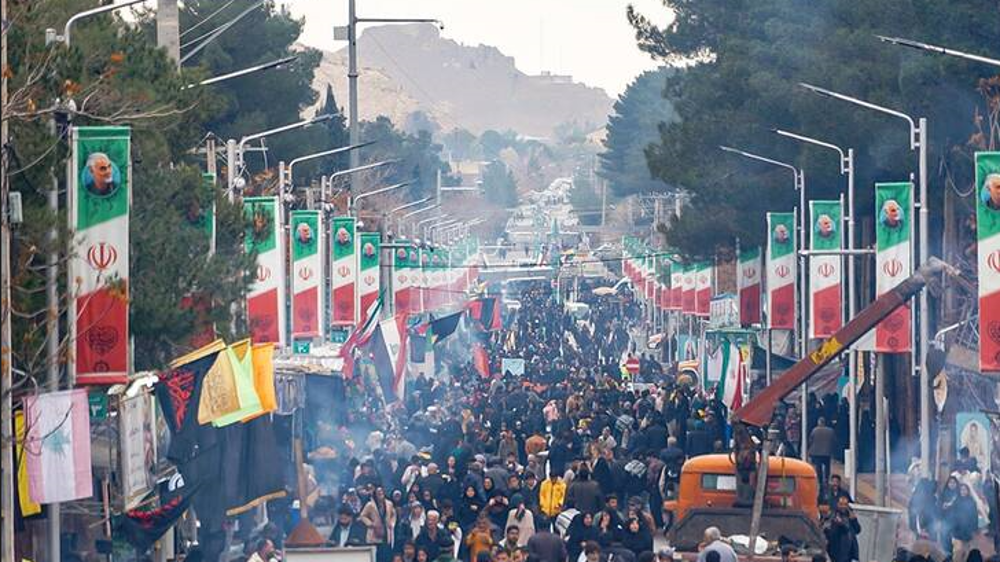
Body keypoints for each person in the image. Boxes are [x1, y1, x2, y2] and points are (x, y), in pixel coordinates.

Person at [360, 486, 397, 562]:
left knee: (386, 556)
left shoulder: (389, 504)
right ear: (375, 494)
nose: (380, 493)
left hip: (386, 534)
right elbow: (362, 516)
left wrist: (392, 523)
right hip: (374, 534)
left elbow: (394, 514)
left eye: (382, 492)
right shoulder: (370, 505)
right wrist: (370, 524)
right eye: (378, 492)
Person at [948, 484, 980, 562]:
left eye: (965, 489)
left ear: (968, 491)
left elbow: (975, 516)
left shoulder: (972, 502)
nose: (963, 491)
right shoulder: (956, 501)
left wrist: (974, 528)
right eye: (961, 489)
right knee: (957, 552)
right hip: (957, 532)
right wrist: (952, 528)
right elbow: (952, 516)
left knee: (966, 553)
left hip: (968, 532)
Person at [823, 496, 860, 562]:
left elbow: (857, 530)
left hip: (849, 552)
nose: (843, 506)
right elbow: (828, 532)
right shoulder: (833, 516)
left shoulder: (850, 515)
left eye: (845, 504)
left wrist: (854, 520)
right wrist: (839, 524)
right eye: (841, 504)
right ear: (837, 504)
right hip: (837, 552)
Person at [809, 418, 835, 488]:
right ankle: (826, 479)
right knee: (827, 466)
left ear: (819, 422)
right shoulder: (830, 430)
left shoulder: (815, 430)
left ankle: (820, 480)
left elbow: (811, 440)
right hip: (827, 452)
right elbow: (833, 440)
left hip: (817, 452)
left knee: (818, 467)